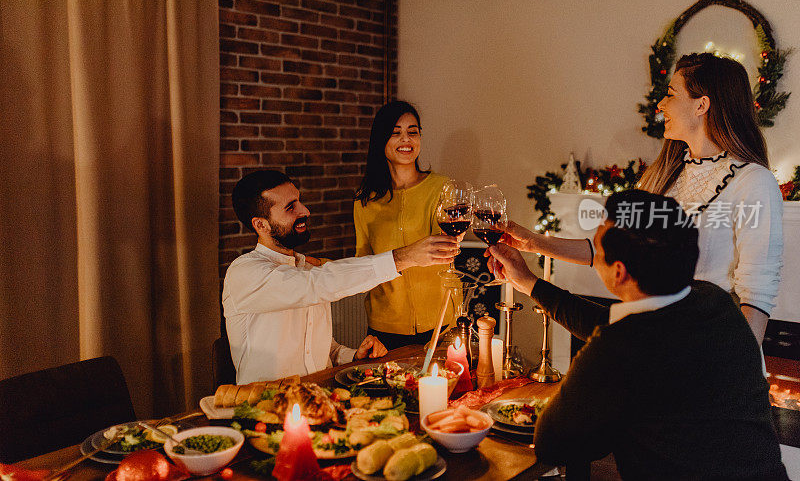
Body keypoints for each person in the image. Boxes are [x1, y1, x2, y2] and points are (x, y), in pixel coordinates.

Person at [487, 190, 788, 480]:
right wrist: (528, 282)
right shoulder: (713, 301)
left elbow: (552, 443)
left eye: (597, 249)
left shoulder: (618, 348)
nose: (594, 254)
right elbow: (614, 326)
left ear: (619, 272)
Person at [511, 53, 783, 343]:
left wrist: (737, 371)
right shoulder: (664, 175)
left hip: (706, 348)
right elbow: (612, 250)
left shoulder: (753, 182)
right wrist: (533, 242)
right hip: (652, 341)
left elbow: (757, 292)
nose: (661, 104)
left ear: (701, 105)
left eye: (670, 94)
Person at [223, 170, 459, 384]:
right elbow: (319, 284)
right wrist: (404, 257)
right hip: (265, 408)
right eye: (290, 207)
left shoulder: (306, 268)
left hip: (322, 400)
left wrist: (353, 355)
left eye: (300, 201)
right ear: (261, 225)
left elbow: (319, 348)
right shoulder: (245, 273)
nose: (305, 211)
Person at [353, 101, 452, 350]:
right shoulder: (365, 200)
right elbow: (362, 261)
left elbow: (448, 245)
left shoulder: (442, 188)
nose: (406, 139)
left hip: (441, 323)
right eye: (396, 132)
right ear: (381, 139)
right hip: (385, 327)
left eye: (413, 131)